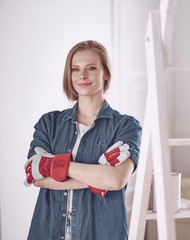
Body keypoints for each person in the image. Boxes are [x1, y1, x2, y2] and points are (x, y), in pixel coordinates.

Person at [23, 40, 142, 240]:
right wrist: (97, 179)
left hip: (101, 233)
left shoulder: (126, 126)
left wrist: (52, 164)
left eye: (91, 68)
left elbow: (115, 180)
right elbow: (36, 177)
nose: (82, 76)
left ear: (106, 74)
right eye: (75, 69)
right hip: (47, 231)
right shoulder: (48, 123)